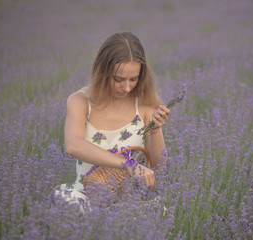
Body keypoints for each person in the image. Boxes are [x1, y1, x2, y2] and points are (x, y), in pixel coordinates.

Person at [53, 32, 170, 211]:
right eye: (118, 79)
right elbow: (73, 145)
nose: (127, 87)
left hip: (131, 197)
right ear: (102, 72)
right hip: (86, 194)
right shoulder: (80, 101)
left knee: (156, 212)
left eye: (134, 79)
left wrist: (155, 128)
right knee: (67, 202)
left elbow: (158, 165)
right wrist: (126, 164)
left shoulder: (145, 107)